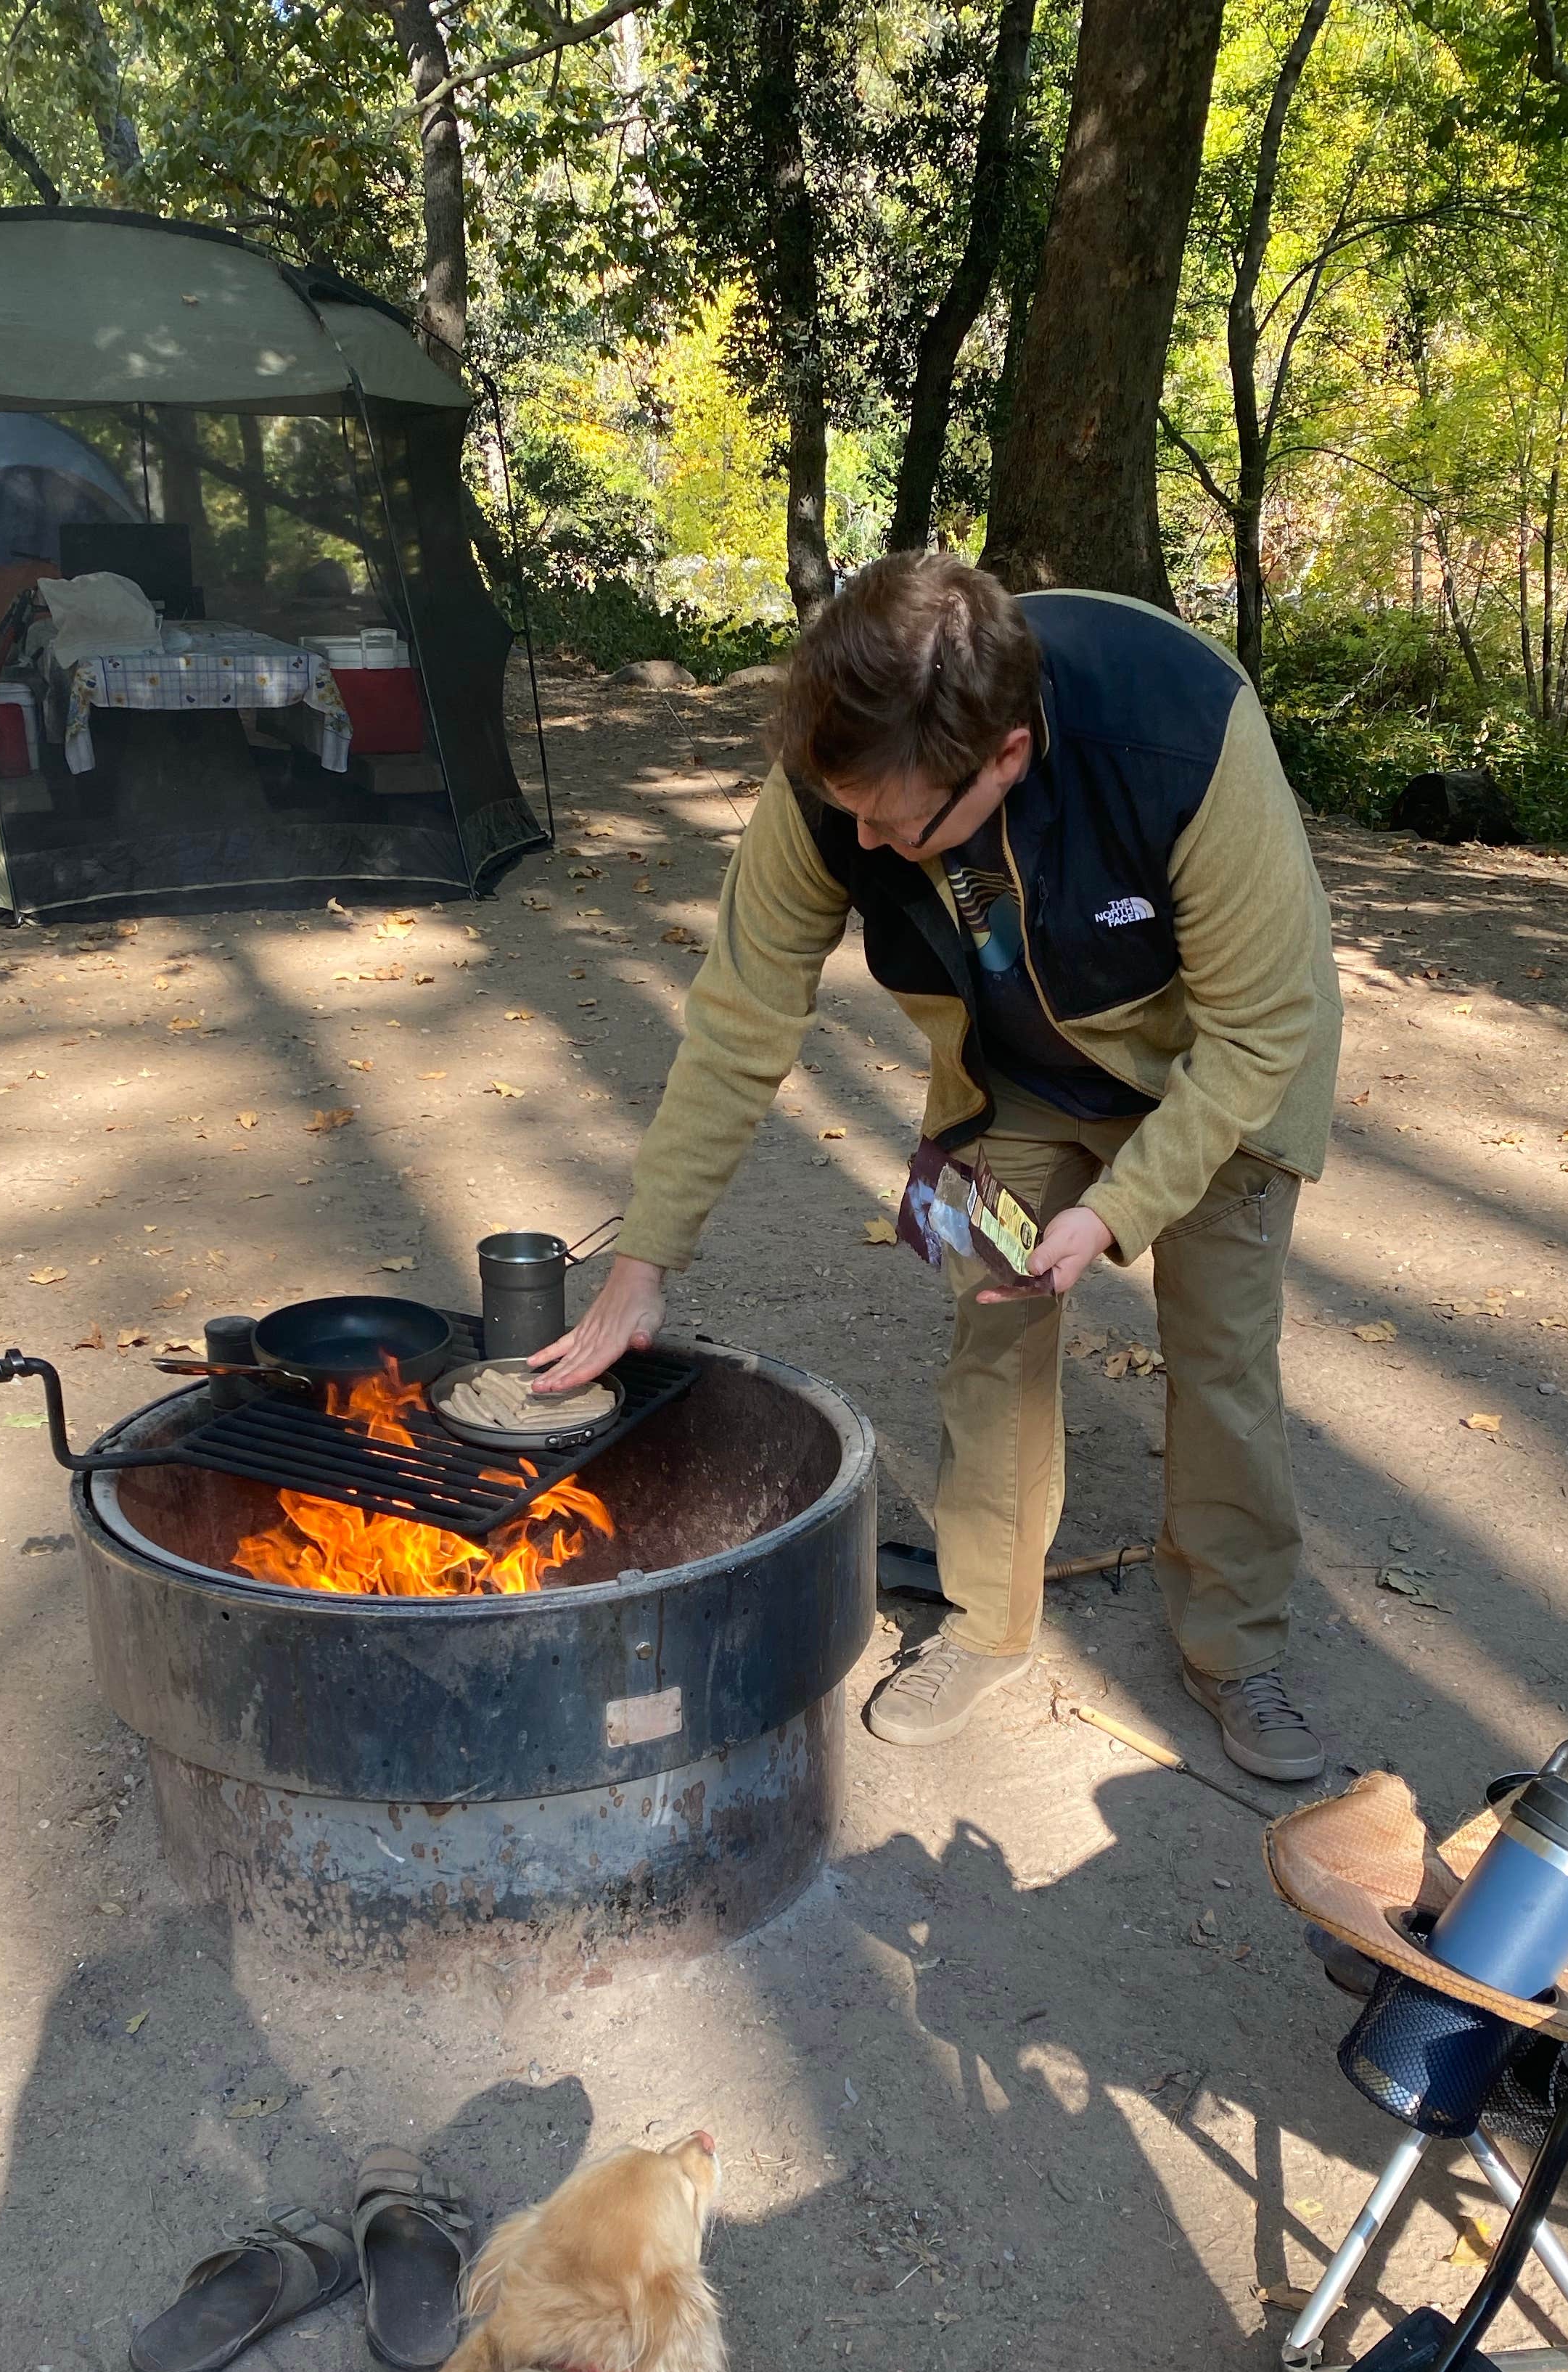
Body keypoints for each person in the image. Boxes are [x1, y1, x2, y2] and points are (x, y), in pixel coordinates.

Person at [531, 557, 1341, 1783]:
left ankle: (1237, 1648)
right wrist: (646, 1257)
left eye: (895, 826)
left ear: (1006, 757)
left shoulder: (1184, 733)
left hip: (1213, 1077)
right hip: (1008, 1077)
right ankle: (989, 1620)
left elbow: (1261, 1029)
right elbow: (745, 1015)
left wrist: (1118, 1211)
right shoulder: (843, 768)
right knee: (991, 1336)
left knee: (1222, 1360)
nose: (858, 844)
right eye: (843, 810)